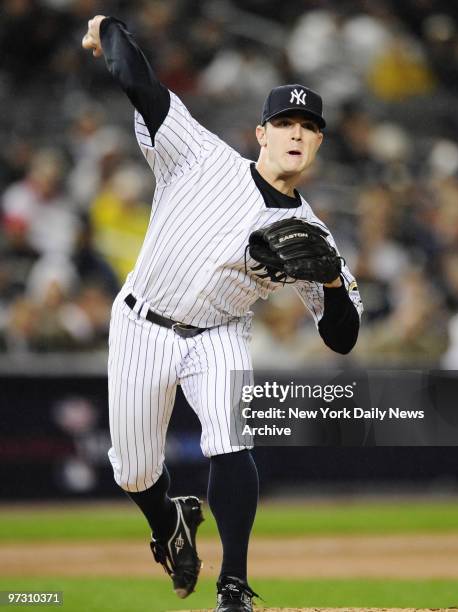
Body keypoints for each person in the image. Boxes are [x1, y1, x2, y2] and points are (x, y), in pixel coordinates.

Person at [82, 15, 362, 612]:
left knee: (232, 441)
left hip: (219, 334)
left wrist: (333, 279)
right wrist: (109, 31)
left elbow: (342, 338)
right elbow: (143, 86)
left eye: (308, 127)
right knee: (133, 471)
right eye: (284, 122)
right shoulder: (201, 155)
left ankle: (233, 584)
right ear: (260, 132)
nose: (295, 133)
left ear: (318, 144)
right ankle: (168, 521)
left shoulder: (313, 234)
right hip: (141, 323)